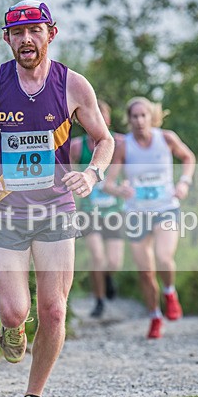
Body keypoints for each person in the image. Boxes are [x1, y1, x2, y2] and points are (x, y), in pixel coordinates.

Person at [0, 0, 114, 397]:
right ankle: (12, 327)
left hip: (56, 207)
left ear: (51, 34)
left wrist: (93, 174)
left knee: (55, 309)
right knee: (13, 311)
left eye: (35, 31)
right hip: (5, 209)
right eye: (18, 33)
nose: (27, 39)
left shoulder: (73, 85)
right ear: (7, 39)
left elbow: (104, 139)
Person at [104, 97, 195, 339]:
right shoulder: (123, 146)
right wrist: (120, 190)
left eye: (143, 115)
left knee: (164, 258)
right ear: (129, 119)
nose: (139, 120)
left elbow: (188, 158)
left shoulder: (166, 138)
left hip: (166, 208)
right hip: (136, 213)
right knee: (145, 272)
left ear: (151, 116)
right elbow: (108, 183)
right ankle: (155, 316)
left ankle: (170, 292)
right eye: (134, 116)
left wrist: (184, 183)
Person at [69, 100, 125, 318]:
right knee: (97, 256)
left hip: (113, 211)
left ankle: (108, 278)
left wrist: (127, 185)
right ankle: (99, 300)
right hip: (88, 210)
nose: (97, 120)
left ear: (108, 120)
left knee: (114, 262)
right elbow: (66, 172)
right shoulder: (77, 146)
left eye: (102, 116)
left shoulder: (119, 143)